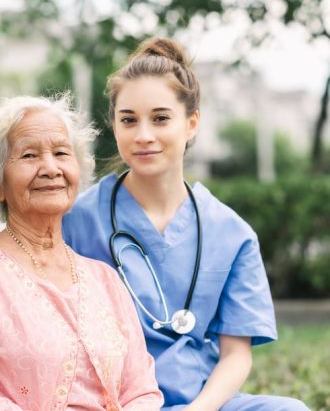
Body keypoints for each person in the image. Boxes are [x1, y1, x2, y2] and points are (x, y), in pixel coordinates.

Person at [63, 38, 311, 411]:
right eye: (128, 119)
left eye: (161, 118)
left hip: (201, 402)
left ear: (191, 123)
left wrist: (198, 410)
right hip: (110, 401)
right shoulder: (78, 221)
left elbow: (235, 355)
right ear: (114, 125)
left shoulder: (232, 233)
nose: (143, 135)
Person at [0, 95, 163, 411]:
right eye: (29, 155)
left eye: (62, 153)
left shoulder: (104, 279)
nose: (51, 168)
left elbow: (141, 389)